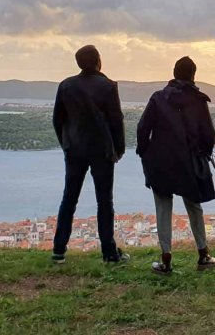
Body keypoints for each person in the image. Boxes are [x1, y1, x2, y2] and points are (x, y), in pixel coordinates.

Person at [136, 56, 215, 275]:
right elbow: (208, 134)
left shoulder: (158, 98)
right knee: (194, 206)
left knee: (163, 208)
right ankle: (203, 254)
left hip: (161, 162)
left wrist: (144, 152)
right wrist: (203, 155)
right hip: (189, 162)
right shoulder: (199, 101)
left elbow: (143, 128)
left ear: (174, 73)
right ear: (193, 75)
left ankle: (166, 259)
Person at [51, 45, 128, 264]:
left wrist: (65, 143)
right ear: (97, 61)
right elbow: (116, 120)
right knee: (104, 201)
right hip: (101, 150)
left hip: (74, 149)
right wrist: (119, 149)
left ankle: (58, 250)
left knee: (69, 198)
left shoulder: (66, 86)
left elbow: (57, 119)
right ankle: (109, 253)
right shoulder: (108, 86)